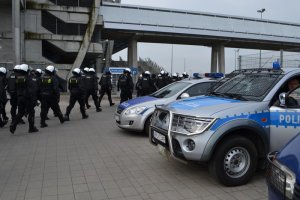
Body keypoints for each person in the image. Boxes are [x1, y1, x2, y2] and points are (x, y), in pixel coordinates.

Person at [9, 64, 39, 133]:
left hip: (20, 98)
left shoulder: (18, 78)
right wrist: (34, 100)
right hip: (27, 98)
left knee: (20, 113)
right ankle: (31, 128)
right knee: (32, 112)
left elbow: (15, 88)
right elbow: (32, 90)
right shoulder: (29, 78)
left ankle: (13, 125)